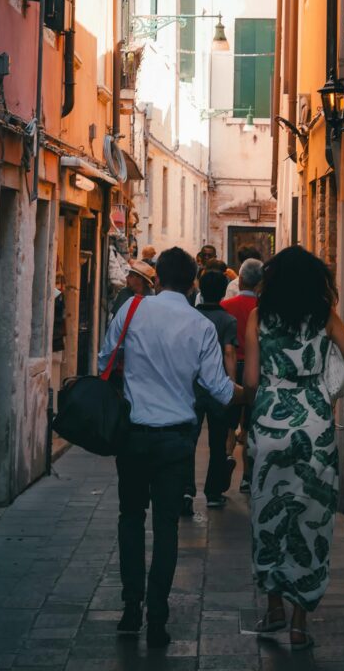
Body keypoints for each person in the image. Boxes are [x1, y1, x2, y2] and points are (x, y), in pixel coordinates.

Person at [98, 247, 243, 648]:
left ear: (157, 278)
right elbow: (217, 388)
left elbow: (104, 360)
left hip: (133, 433)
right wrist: (248, 395)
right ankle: (157, 616)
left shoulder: (130, 312)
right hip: (176, 437)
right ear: (193, 282)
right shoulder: (200, 327)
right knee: (165, 526)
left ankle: (131, 608)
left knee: (130, 518)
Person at [243, 246, 344, 651]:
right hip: (315, 428)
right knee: (311, 518)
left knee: (268, 514)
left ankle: (273, 607)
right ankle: (298, 623)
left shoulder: (258, 318)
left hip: (270, 424)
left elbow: (253, 378)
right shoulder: (324, 317)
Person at [181, 270, 238, 514]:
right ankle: (213, 492)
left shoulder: (190, 317)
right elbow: (229, 353)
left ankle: (185, 490)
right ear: (224, 291)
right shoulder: (228, 320)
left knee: (188, 440)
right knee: (217, 441)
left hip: (192, 386)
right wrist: (231, 386)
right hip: (217, 388)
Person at [221, 257, 263, 491]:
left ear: (241, 279)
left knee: (229, 422)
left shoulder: (226, 306)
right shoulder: (263, 309)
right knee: (249, 425)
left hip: (231, 368)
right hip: (255, 369)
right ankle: (247, 476)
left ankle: (227, 458)